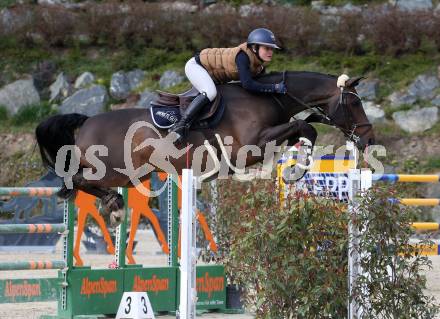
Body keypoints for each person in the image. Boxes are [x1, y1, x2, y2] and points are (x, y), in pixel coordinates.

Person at [170, 27, 287, 143]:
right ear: (255, 48)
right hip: (196, 66)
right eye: (267, 48)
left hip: (212, 73)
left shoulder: (258, 63)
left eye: (272, 49)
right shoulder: (242, 57)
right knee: (210, 92)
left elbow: (258, 84)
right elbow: (248, 85)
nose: (270, 52)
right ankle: (180, 126)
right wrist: (275, 87)